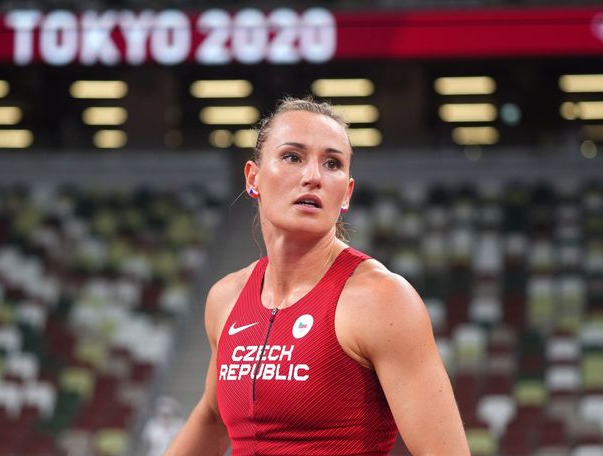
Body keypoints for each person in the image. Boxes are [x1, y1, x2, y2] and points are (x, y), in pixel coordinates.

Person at [165, 97, 469, 455]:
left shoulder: (381, 299)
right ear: (253, 178)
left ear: (347, 194)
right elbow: (214, 418)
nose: (313, 177)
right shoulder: (226, 297)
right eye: (292, 157)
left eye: (332, 163)